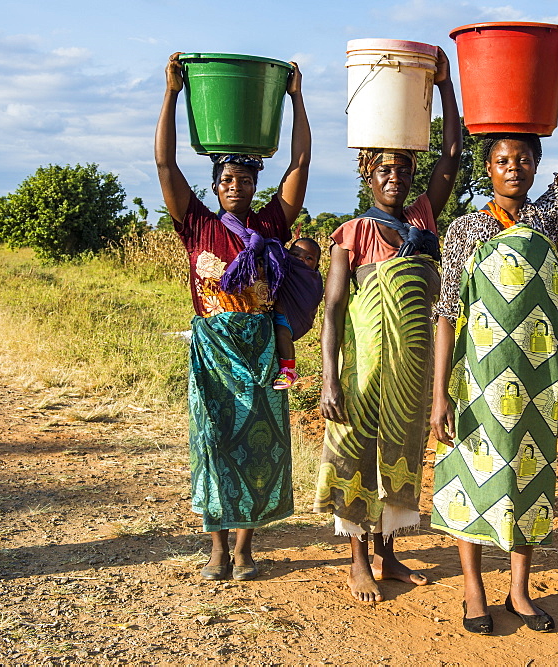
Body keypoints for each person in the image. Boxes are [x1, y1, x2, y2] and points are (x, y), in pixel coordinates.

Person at [429, 23, 558, 633]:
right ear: (490, 167)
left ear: (534, 164)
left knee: (528, 474)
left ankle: (519, 591)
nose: (515, 168)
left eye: (524, 159)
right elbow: (448, 312)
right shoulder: (465, 232)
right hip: (476, 381)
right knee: (469, 478)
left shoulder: (548, 216)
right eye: (503, 160)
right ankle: (474, 589)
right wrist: (438, 395)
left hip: (532, 378)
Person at [155, 51, 311, 581]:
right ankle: (217, 547)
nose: (236, 186)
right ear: (216, 186)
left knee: (259, 445)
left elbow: (300, 167)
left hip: (261, 346)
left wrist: (295, 98)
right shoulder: (196, 225)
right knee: (214, 440)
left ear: (253, 186)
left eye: (245, 179)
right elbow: (164, 166)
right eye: (227, 180)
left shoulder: (270, 225)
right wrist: (172, 94)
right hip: (214, 348)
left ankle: (245, 547)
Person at [315, 47, 461, 603]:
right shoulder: (350, 233)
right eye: (384, 170)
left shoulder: (424, 217)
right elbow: (332, 311)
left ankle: (389, 553)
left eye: (402, 169)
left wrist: (445, 87)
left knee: (400, 452)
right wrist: (329, 379)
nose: (394, 178)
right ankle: (357, 561)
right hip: (365, 370)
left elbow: (452, 149)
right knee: (358, 454)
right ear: (367, 176)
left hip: (412, 369)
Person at [272, 236, 323, 389]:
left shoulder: (312, 280)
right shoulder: (283, 266)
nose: (301, 260)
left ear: (316, 265)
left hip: (288, 318)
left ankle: (289, 370)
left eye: (308, 258)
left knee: (282, 334)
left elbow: (310, 300)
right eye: (295, 255)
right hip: (270, 314)